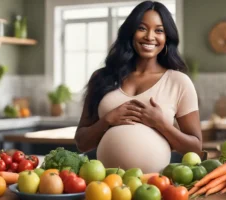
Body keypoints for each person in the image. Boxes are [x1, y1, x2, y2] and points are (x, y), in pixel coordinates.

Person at [74, 0, 202, 173]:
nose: (149, 36)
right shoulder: (102, 78)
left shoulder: (179, 82)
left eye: (159, 30)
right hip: (106, 186)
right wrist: (107, 120)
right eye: (142, 28)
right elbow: (82, 143)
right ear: (130, 32)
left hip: (155, 187)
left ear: (167, 38)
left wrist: (160, 124)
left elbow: (195, 148)